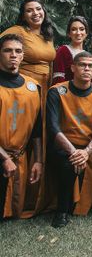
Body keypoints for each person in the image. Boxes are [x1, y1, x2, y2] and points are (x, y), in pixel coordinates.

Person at [46, 51, 92, 227]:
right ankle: (62, 212)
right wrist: (74, 152)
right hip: (63, 145)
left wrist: (86, 151)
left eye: (90, 65)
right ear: (73, 68)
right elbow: (53, 127)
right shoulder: (57, 92)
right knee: (68, 163)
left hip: (89, 147)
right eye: (82, 65)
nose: (86, 69)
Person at [0, 34, 43, 219]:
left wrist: (38, 160)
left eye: (18, 51)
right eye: (7, 50)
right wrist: (4, 159)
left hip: (20, 156)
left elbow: (36, 130)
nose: (13, 55)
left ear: (23, 56)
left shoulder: (33, 87)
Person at [1, 0, 56, 100]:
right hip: (24, 86)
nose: (35, 13)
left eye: (38, 9)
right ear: (23, 16)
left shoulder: (48, 35)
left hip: (45, 87)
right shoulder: (18, 31)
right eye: (29, 11)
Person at [52, 16, 89, 85]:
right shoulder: (63, 50)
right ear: (69, 33)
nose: (78, 33)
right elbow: (58, 77)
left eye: (81, 29)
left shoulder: (87, 54)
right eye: (74, 29)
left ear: (86, 33)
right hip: (66, 93)